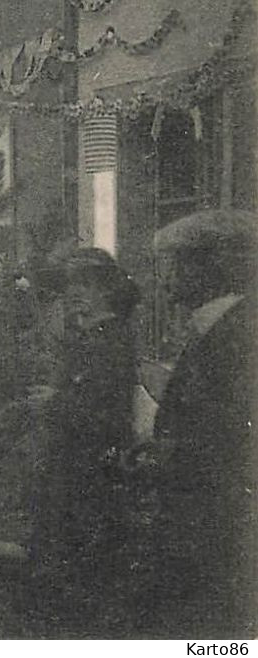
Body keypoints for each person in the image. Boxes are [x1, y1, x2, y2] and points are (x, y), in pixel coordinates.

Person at [19, 246, 144, 636]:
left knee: (82, 559)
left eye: (86, 284)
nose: (75, 293)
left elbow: (109, 413)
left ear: (107, 290)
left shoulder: (110, 341)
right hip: (67, 465)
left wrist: (57, 401)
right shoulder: (85, 337)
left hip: (91, 468)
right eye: (71, 285)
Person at [143, 210, 255, 638]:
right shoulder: (218, 327)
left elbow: (232, 435)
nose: (164, 281)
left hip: (214, 526)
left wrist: (171, 454)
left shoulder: (236, 334)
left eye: (169, 266)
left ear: (205, 266)